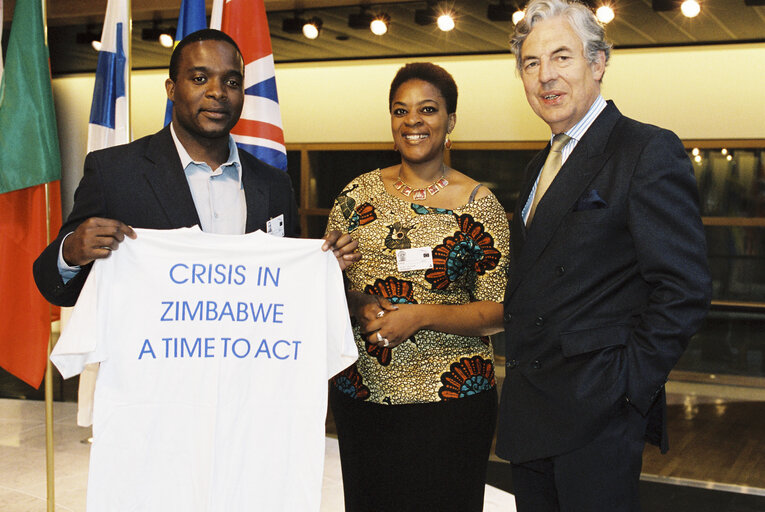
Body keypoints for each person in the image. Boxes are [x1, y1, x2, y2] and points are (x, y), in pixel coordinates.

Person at [495, 1, 712, 510]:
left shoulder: (645, 150)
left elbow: (685, 288)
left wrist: (626, 391)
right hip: (533, 412)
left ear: (598, 63)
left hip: (597, 416)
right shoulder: (537, 168)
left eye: (561, 57)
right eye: (531, 63)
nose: (545, 76)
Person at [33, 29, 357, 306]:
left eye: (231, 81)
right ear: (171, 89)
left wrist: (325, 267)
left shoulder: (273, 183)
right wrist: (72, 252)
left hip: (247, 369)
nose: (217, 92)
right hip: (152, 372)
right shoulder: (114, 172)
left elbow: (287, 285)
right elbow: (55, 286)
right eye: (200, 78)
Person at [326, 62, 510, 512]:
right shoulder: (355, 196)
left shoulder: (480, 207)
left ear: (450, 121)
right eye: (400, 110)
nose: (413, 121)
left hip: (450, 403)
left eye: (428, 109)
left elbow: (498, 310)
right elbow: (325, 282)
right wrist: (357, 302)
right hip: (362, 394)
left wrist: (421, 315)